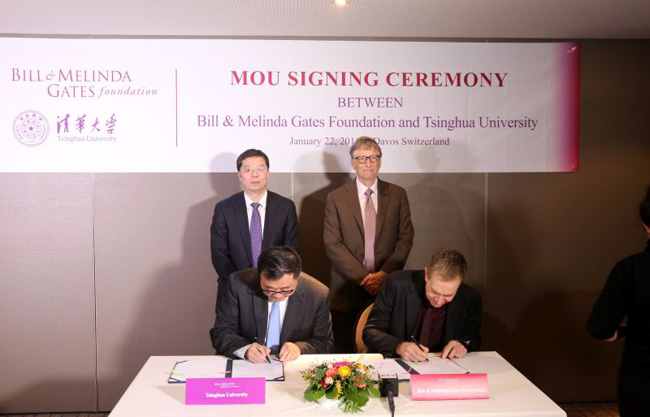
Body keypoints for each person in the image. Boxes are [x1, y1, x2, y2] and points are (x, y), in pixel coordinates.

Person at [324, 136, 414, 352]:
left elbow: (405, 238)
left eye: (373, 157)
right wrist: (365, 278)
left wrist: (383, 274)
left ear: (380, 161)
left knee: (384, 349)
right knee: (345, 352)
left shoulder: (397, 194)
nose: (368, 163)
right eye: (362, 158)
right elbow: (332, 243)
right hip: (347, 287)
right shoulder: (336, 197)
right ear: (353, 163)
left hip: (387, 286)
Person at [587, 186, 650, 417]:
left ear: (645, 225)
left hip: (642, 383)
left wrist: (626, 330)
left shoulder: (629, 269)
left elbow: (599, 328)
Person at [210, 246, 333, 363]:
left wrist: (299, 348)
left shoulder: (317, 294)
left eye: (286, 290)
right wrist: (245, 349)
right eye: (269, 290)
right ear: (260, 276)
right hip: (249, 364)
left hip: (291, 365)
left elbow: (324, 342)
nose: (277, 296)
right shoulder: (238, 284)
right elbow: (221, 332)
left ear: (297, 277)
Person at [210, 149, 299, 308]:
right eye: (248, 170)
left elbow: (291, 250)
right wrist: (241, 283)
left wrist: (272, 282)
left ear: (268, 173)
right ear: (239, 175)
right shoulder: (224, 209)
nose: (254, 175)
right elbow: (219, 255)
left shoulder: (285, 207)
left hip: (275, 290)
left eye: (260, 169)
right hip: (233, 290)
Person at [363, 247, 482, 360]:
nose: (439, 301)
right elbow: (371, 332)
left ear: (459, 284)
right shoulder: (397, 284)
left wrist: (463, 344)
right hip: (396, 362)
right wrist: (399, 346)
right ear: (426, 275)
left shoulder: (470, 298)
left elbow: (473, 339)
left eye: (448, 295)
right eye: (434, 292)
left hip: (443, 366)